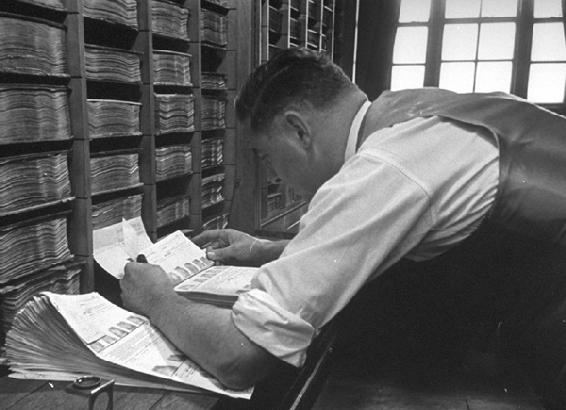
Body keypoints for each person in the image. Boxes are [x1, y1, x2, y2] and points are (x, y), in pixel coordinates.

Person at [120, 48, 566, 406]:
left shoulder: (380, 168)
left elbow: (240, 356)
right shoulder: (409, 111)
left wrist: (156, 298)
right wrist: (268, 249)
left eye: (267, 156)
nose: (274, 176)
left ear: (298, 130)